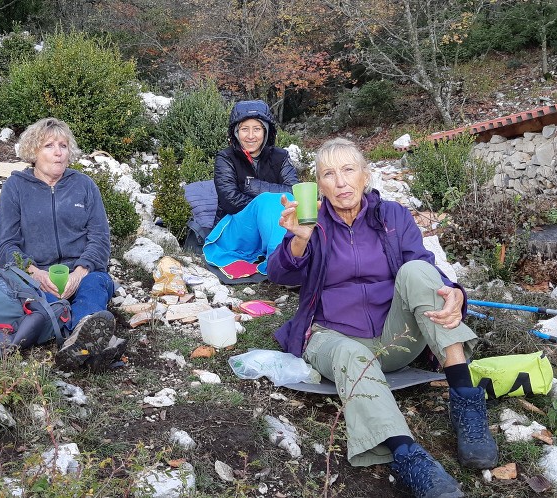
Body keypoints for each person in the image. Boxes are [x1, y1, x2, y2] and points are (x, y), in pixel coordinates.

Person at [266, 138, 497, 498]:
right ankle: (407, 456)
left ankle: (466, 403)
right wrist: (297, 239)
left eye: (348, 170)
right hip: (337, 340)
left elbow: (425, 267)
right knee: (348, 354)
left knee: (418, 271)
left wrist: (455, 292)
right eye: (329, 174)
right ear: (319, 186)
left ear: (365, 175)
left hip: (395, 339)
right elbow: (280, 275)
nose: (341, 182)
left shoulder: (392, 216)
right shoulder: (311, 223)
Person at [0, 117, 116, 369]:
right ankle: (91, 343)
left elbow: (100, 238)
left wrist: (79, 273)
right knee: (43, 304)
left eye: (63, 145)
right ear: (33, 152)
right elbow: (5, 246)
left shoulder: (84, 185)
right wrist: (36, 274)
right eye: (49, 145)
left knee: (95, 285)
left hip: (82, 272)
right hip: (35, 276)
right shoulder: (15, 187)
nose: (58, 153)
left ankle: (82, 335)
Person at [204, 100, 298, 277]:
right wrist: (262, 205)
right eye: (244, 129)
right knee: (268, 200)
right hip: (237, 229)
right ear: (236, 132)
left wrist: (252, 185)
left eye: (257, 129)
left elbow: (293, 191)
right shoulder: (226, 158)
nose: (250, 135)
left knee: (281, 200)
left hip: (271, 228)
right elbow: (229, 200)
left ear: (266, 131)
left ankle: (284, 260)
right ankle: (278, 266)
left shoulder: (281, 156)